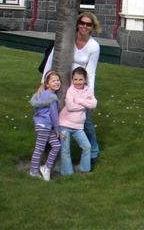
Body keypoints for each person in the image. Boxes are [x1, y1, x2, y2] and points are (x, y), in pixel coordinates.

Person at [41, 11, 101, 166]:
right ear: (77, 24)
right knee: (55, 114)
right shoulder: (68, 38)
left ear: (92, 27)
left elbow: (91, 72)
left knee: (85, 120)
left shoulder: (94, 46)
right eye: (82, 23)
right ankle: (50, 145)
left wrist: (90, 95)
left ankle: (93, 150)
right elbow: (51, 59)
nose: (84, 26)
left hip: (80, 86)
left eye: (88, 24)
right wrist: (43, 82)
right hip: (61, 83)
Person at [59, 67, 97, 175]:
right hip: (64, 126)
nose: (78, 82)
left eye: (80, 79)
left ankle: (84, 170)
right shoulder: (71, 90)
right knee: (65, 150)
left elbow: (94, 104)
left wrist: (79, 101)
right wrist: (85, 105)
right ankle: (67, 173)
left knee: (87, 146)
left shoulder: (88, 90)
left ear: (85, 80)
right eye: (75, 79)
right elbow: (70, 107)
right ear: (72, 79)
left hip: (78, 127)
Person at [30, 70, 61, 181]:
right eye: (53, 81)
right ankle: (33, 171)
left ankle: (46, 167)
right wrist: (57, 128)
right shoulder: (51, 97)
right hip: (45, 126)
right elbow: (54, 115)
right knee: (39, 149)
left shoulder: (40, 94)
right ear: (47, 84)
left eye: (58, 80)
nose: (56, 83)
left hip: (42, 125)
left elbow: (36, 109)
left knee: (57, 145)